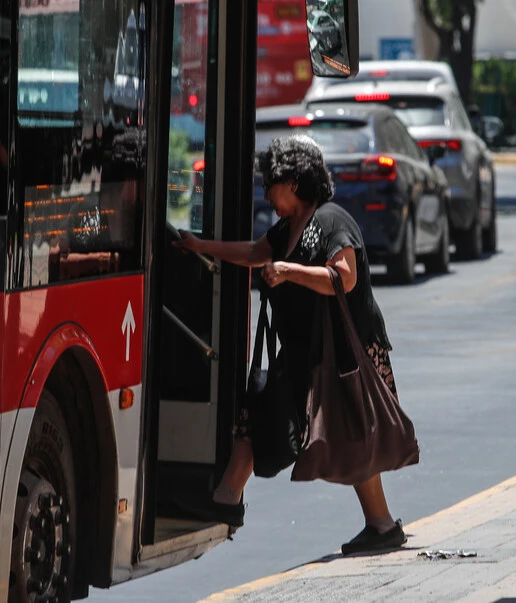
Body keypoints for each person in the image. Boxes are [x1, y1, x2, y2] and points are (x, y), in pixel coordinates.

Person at [174, 135, 408, 555]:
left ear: (296, 182)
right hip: (305, 350)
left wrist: (289, 271)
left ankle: (382, 525)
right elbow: (251, 252)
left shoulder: (334, 221)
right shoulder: (286, 229)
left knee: (350, 435)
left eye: (271, 184)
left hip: (346, 353)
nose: (266, 193)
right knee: (258, 409)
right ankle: (226, 499)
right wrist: (199, 246)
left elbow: (344, 278)